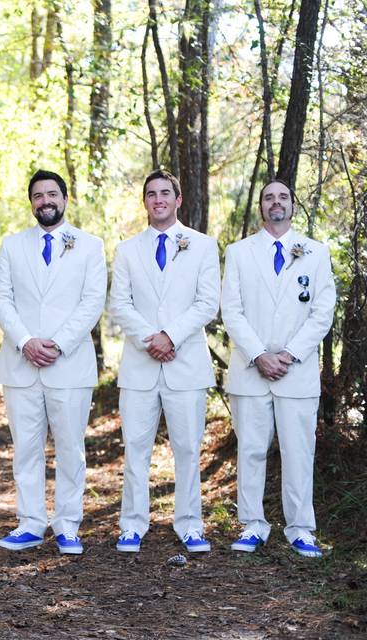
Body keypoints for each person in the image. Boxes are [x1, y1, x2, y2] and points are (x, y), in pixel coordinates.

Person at [0, 170, 106, 555]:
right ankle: (30, 522)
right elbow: (1, 298)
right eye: (38, 196)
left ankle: (68, 524)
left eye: (51, 194)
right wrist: (25, 342)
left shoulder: (90, 246)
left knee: (71, 446)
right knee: (26, 447)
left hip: (68, 363)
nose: (45, 201)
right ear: (31, 202)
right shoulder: (12, 245)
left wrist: (56, 344)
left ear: (65, 198)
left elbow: (92, 301)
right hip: (21, 362)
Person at [221, 179, 336, 558]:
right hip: (250, 370)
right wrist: (259, 354)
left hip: (296, 372)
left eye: (283, 197)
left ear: (292, 205)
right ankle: (253, 525)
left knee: (298, 451)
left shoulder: (316, 253)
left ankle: (301, 528)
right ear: (261, 207)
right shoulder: (239, 253)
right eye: (269, 197)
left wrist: (288, 354)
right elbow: (231, 311)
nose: (276, 203)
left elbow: (323, 312)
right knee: (251, 449)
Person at [108, 169, 220, 553]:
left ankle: (190, 523)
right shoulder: (127, 250)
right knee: (135, 446)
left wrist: (170, 336)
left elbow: (207, 302)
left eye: (164, 193)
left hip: (186, 363)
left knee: (188, 447)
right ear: (145, 202)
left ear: (178, 200)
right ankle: (132, 524)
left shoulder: (203, 246)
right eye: (151, 193)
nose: (158, 199)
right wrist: (150, 340)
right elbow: (119, 304)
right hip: (139, 366)